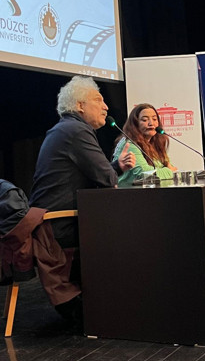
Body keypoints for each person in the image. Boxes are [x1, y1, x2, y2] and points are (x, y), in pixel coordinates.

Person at [29, 75, 135, 249]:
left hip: (51, 221)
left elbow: (99, 174)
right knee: (132, 227)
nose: (106, 107)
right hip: (59, 224)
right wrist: (112, 171)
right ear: (80, 106)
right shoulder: (77, 131)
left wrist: (117, 166)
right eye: (98, 100)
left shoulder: (66, 128)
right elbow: (108, 179)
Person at [112, 103, 176, 186]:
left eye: (154, 119)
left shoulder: (155, 143)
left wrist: (167, 169)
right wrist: (169, 171)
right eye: (145, 120)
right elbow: (144, 174)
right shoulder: (130, 144)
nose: (151, 123)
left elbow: (168, 165)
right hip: (127, 192)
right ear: (135, 124)